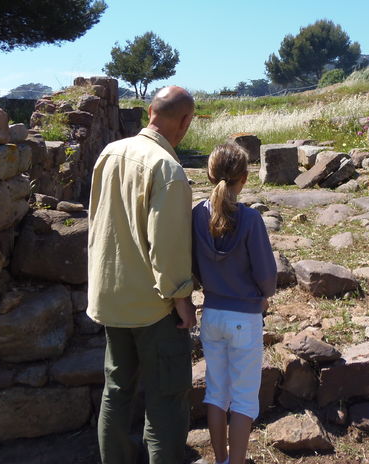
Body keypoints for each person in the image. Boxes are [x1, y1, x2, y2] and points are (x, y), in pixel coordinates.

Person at [87, 86, 197, 464]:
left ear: (150, 111)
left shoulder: (109, 152)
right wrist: (182, 299)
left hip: (109, 295)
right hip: (153, 304)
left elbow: (96, 222)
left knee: (116, 389)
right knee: (167, 395)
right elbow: (167, 246)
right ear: (185, 122)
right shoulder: (167, 168)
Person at [192, 142, 277, 464]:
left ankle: (220, 459)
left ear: (210, 174)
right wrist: (264, 295)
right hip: (244, 317)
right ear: (244, 177)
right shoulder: (251, 219)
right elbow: (265, 272)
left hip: (211, 313)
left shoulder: (196, 214)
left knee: (216, 393)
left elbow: (194, 264)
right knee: (242, 399)